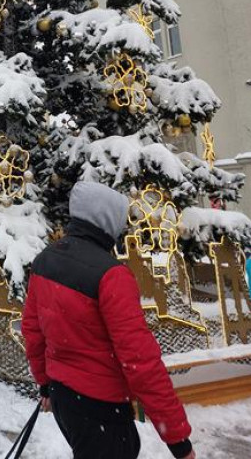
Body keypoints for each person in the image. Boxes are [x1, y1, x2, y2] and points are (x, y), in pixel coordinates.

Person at [22, 181, 195, 459]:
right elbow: (140, 360)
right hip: (100, 407)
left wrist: (45, 383)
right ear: (108, 220)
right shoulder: (111, 275)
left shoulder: (45, 260)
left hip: (64, 398)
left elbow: (33, 330)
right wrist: (178, 441)